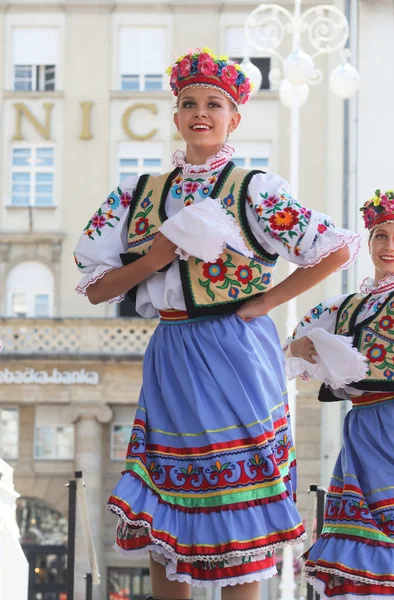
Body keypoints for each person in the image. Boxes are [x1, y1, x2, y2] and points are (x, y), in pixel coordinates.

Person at [73, 48, 359, 600]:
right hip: (173, 348)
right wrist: (152, 262)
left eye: (214, 103)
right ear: (176, 116)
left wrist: (265, 302)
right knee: (170, 498)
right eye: (188, 103)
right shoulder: (136, 196)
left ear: (235, 117)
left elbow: (334, 250)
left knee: (241, 498)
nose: (199, 112)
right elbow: (93, 285)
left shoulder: (254, 188)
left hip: (238, 348)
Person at [286, 189, 394, 599]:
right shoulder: (344, 307)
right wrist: (301, 348)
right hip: (363, 430)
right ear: (368, 244)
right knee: (361, 547)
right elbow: (290, 349)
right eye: (380, 235)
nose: (389, 246)